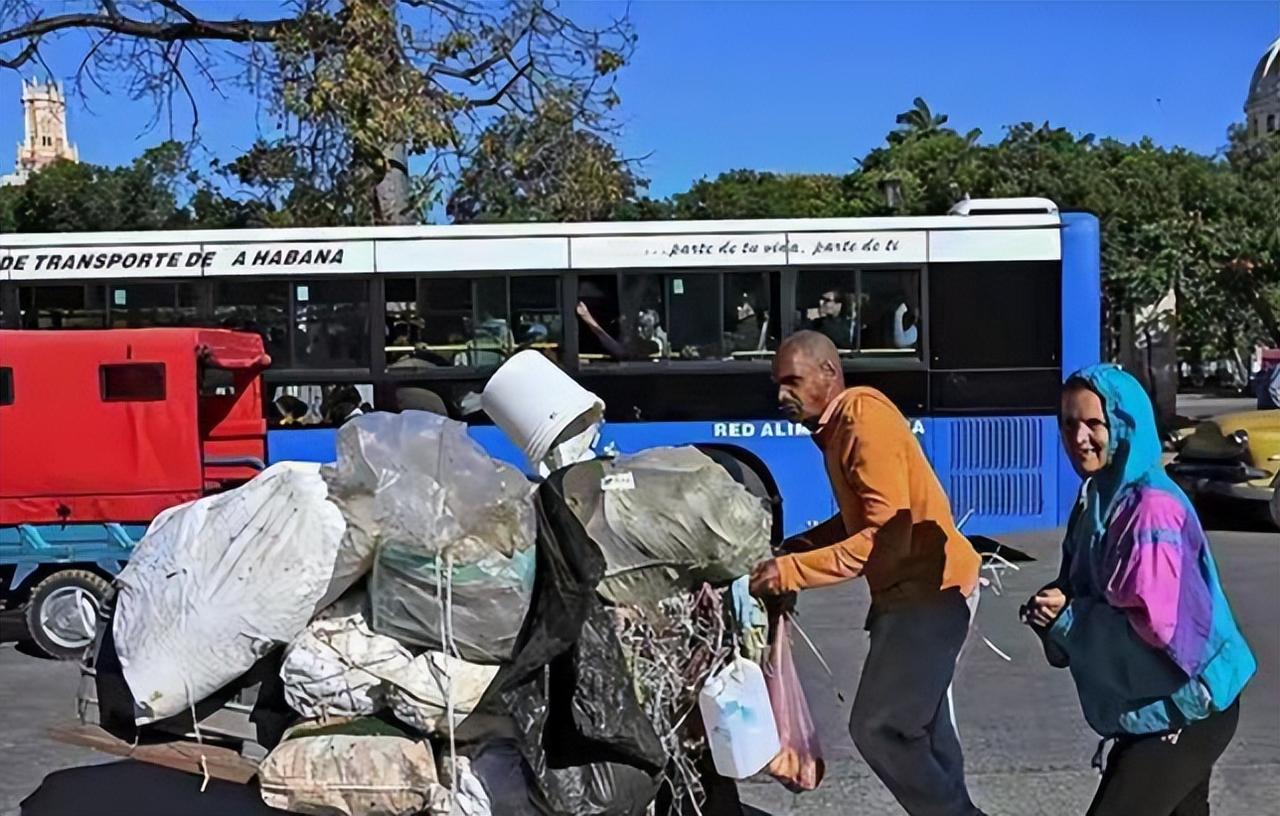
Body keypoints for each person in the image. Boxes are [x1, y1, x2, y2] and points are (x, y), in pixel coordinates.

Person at [749, 330, 984, 816]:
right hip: (922, 590)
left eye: (792, 381)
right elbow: (861, 519)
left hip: (926, 593)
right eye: (777, 384)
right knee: (924, 729)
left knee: (880, 729)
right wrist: (798, 546)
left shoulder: (860, 421)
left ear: (828, 374)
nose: (781, 396)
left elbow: (883, 537)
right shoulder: (837, 428)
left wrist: (790, 571)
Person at [1022, 364, 1255, 816]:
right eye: (1068, 424)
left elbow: (1154, 627)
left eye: (1094, 423)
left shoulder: (1151, 509)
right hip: (1157, 706)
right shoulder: (1098, 499)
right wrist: (1053, 608)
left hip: (1187, 705)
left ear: (1123, 426)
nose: (1078, 438)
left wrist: (1067, 620)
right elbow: (1080, 587)